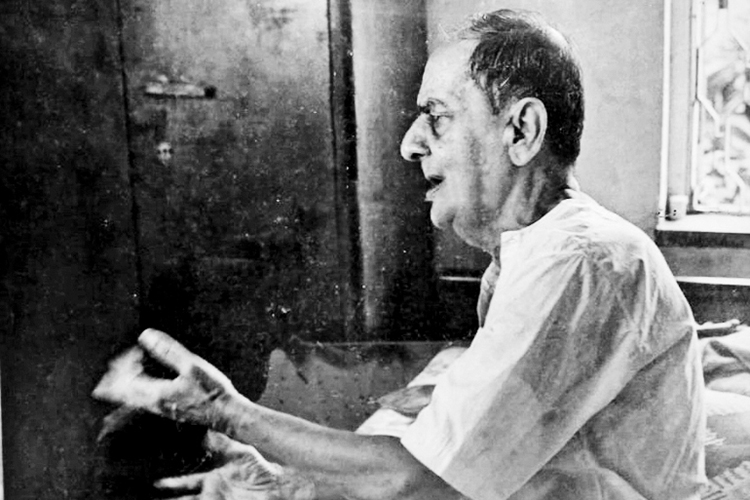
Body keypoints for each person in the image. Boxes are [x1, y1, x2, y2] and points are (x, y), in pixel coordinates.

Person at [92, 9, 706, 500]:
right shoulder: (542, 250)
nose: (410, 145)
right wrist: (290, 478)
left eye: (436, 117)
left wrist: (230, 414)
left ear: (521, 131)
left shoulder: (579, 259)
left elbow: (420, 483)